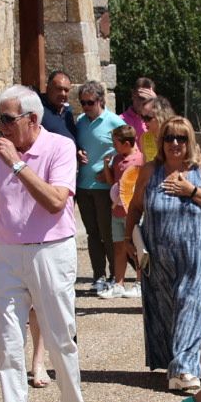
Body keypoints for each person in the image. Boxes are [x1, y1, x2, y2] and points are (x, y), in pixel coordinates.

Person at [0, 86, 86, 402]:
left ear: (32, 120)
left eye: (7, 119)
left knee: (59, 336)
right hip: (7, 253)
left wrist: (18, 165)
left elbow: (57, 202)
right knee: (7, 343)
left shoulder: (59, 147)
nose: (1, 127)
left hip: (50, 251)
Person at [125, 116, 201, 392]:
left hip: (197, 259)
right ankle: (187, 362)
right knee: (168, 313)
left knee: (191, 308)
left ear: (190, 141)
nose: (175, 143)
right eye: (169, 137)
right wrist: (129, 239)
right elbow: (135, 208)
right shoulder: (149, 171)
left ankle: (183, 370)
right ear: (162, 142)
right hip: (158, 260)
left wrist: (191, 191)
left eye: (181, 138)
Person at [75, 81, 122, 296]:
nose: (86, 107)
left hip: (104, 187)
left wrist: (110, 169)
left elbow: (127, 149)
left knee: (108, 232)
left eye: (90, 102)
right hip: (83, 185)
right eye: (83, 103)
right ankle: (98, 276)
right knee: (92, 233)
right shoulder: (80, 122)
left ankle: (115, 275)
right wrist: (77, 152)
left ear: (101, 100)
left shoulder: (114, 121)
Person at [103, 124, 146, 299]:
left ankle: (139, 282)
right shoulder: (117, 159)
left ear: (127, 143)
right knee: (118, 247)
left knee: (136, 248)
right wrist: (106, 166)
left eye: (116, 143)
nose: (114, 147)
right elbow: (111, 182)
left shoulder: (140, 160)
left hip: (132, 212)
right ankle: (119, 284)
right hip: (117, 212)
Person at [120, 76, 161, 160]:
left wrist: (156, 102)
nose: (144, 102)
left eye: (148, 99)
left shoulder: (156, 121)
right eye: (141, 98)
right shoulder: (119, 121)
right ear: (133, 95)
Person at [39, 70, 77, 139]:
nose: (63, 94)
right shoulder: (39, 110)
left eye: (66, 90)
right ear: (48, 88)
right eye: (59, 89)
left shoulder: (68, 112)